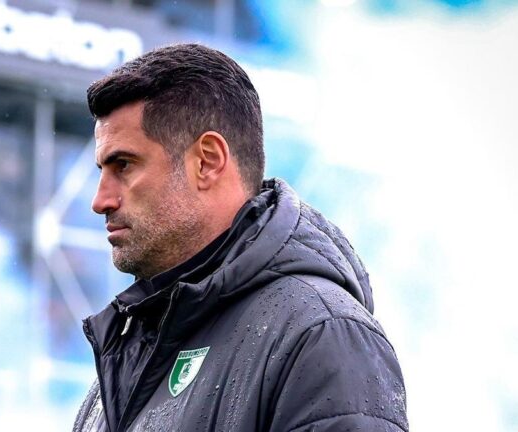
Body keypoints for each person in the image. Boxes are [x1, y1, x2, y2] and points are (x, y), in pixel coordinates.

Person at [73, 43, 408, 432]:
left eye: (124, 165)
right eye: (102, 170)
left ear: (207, 161)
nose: (100, 201)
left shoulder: (321, 334)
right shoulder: (126, 357)